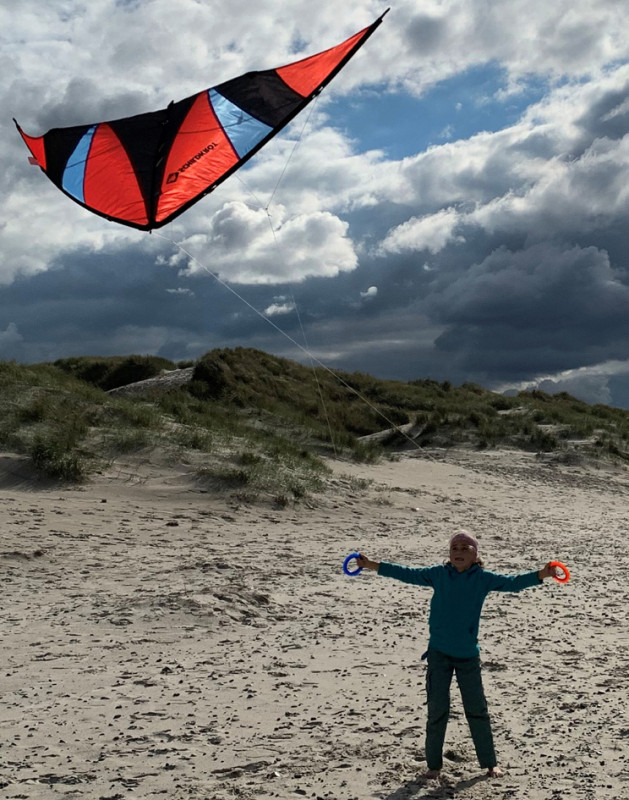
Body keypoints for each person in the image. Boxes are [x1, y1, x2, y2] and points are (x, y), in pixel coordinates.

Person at [355, 531, 562, 780]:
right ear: (449, 554)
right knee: (437, 710)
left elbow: (512, 582)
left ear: (476, 556)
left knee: (477, 710)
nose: (460, 551)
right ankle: (433, 765)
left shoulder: (483, 579)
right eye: (455, 547)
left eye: (466, 548)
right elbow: (406, 573)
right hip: (438, 655)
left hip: (467, 657)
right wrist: (371, 565)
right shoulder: (438, 574)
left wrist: (542, 574)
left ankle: (490, 763)